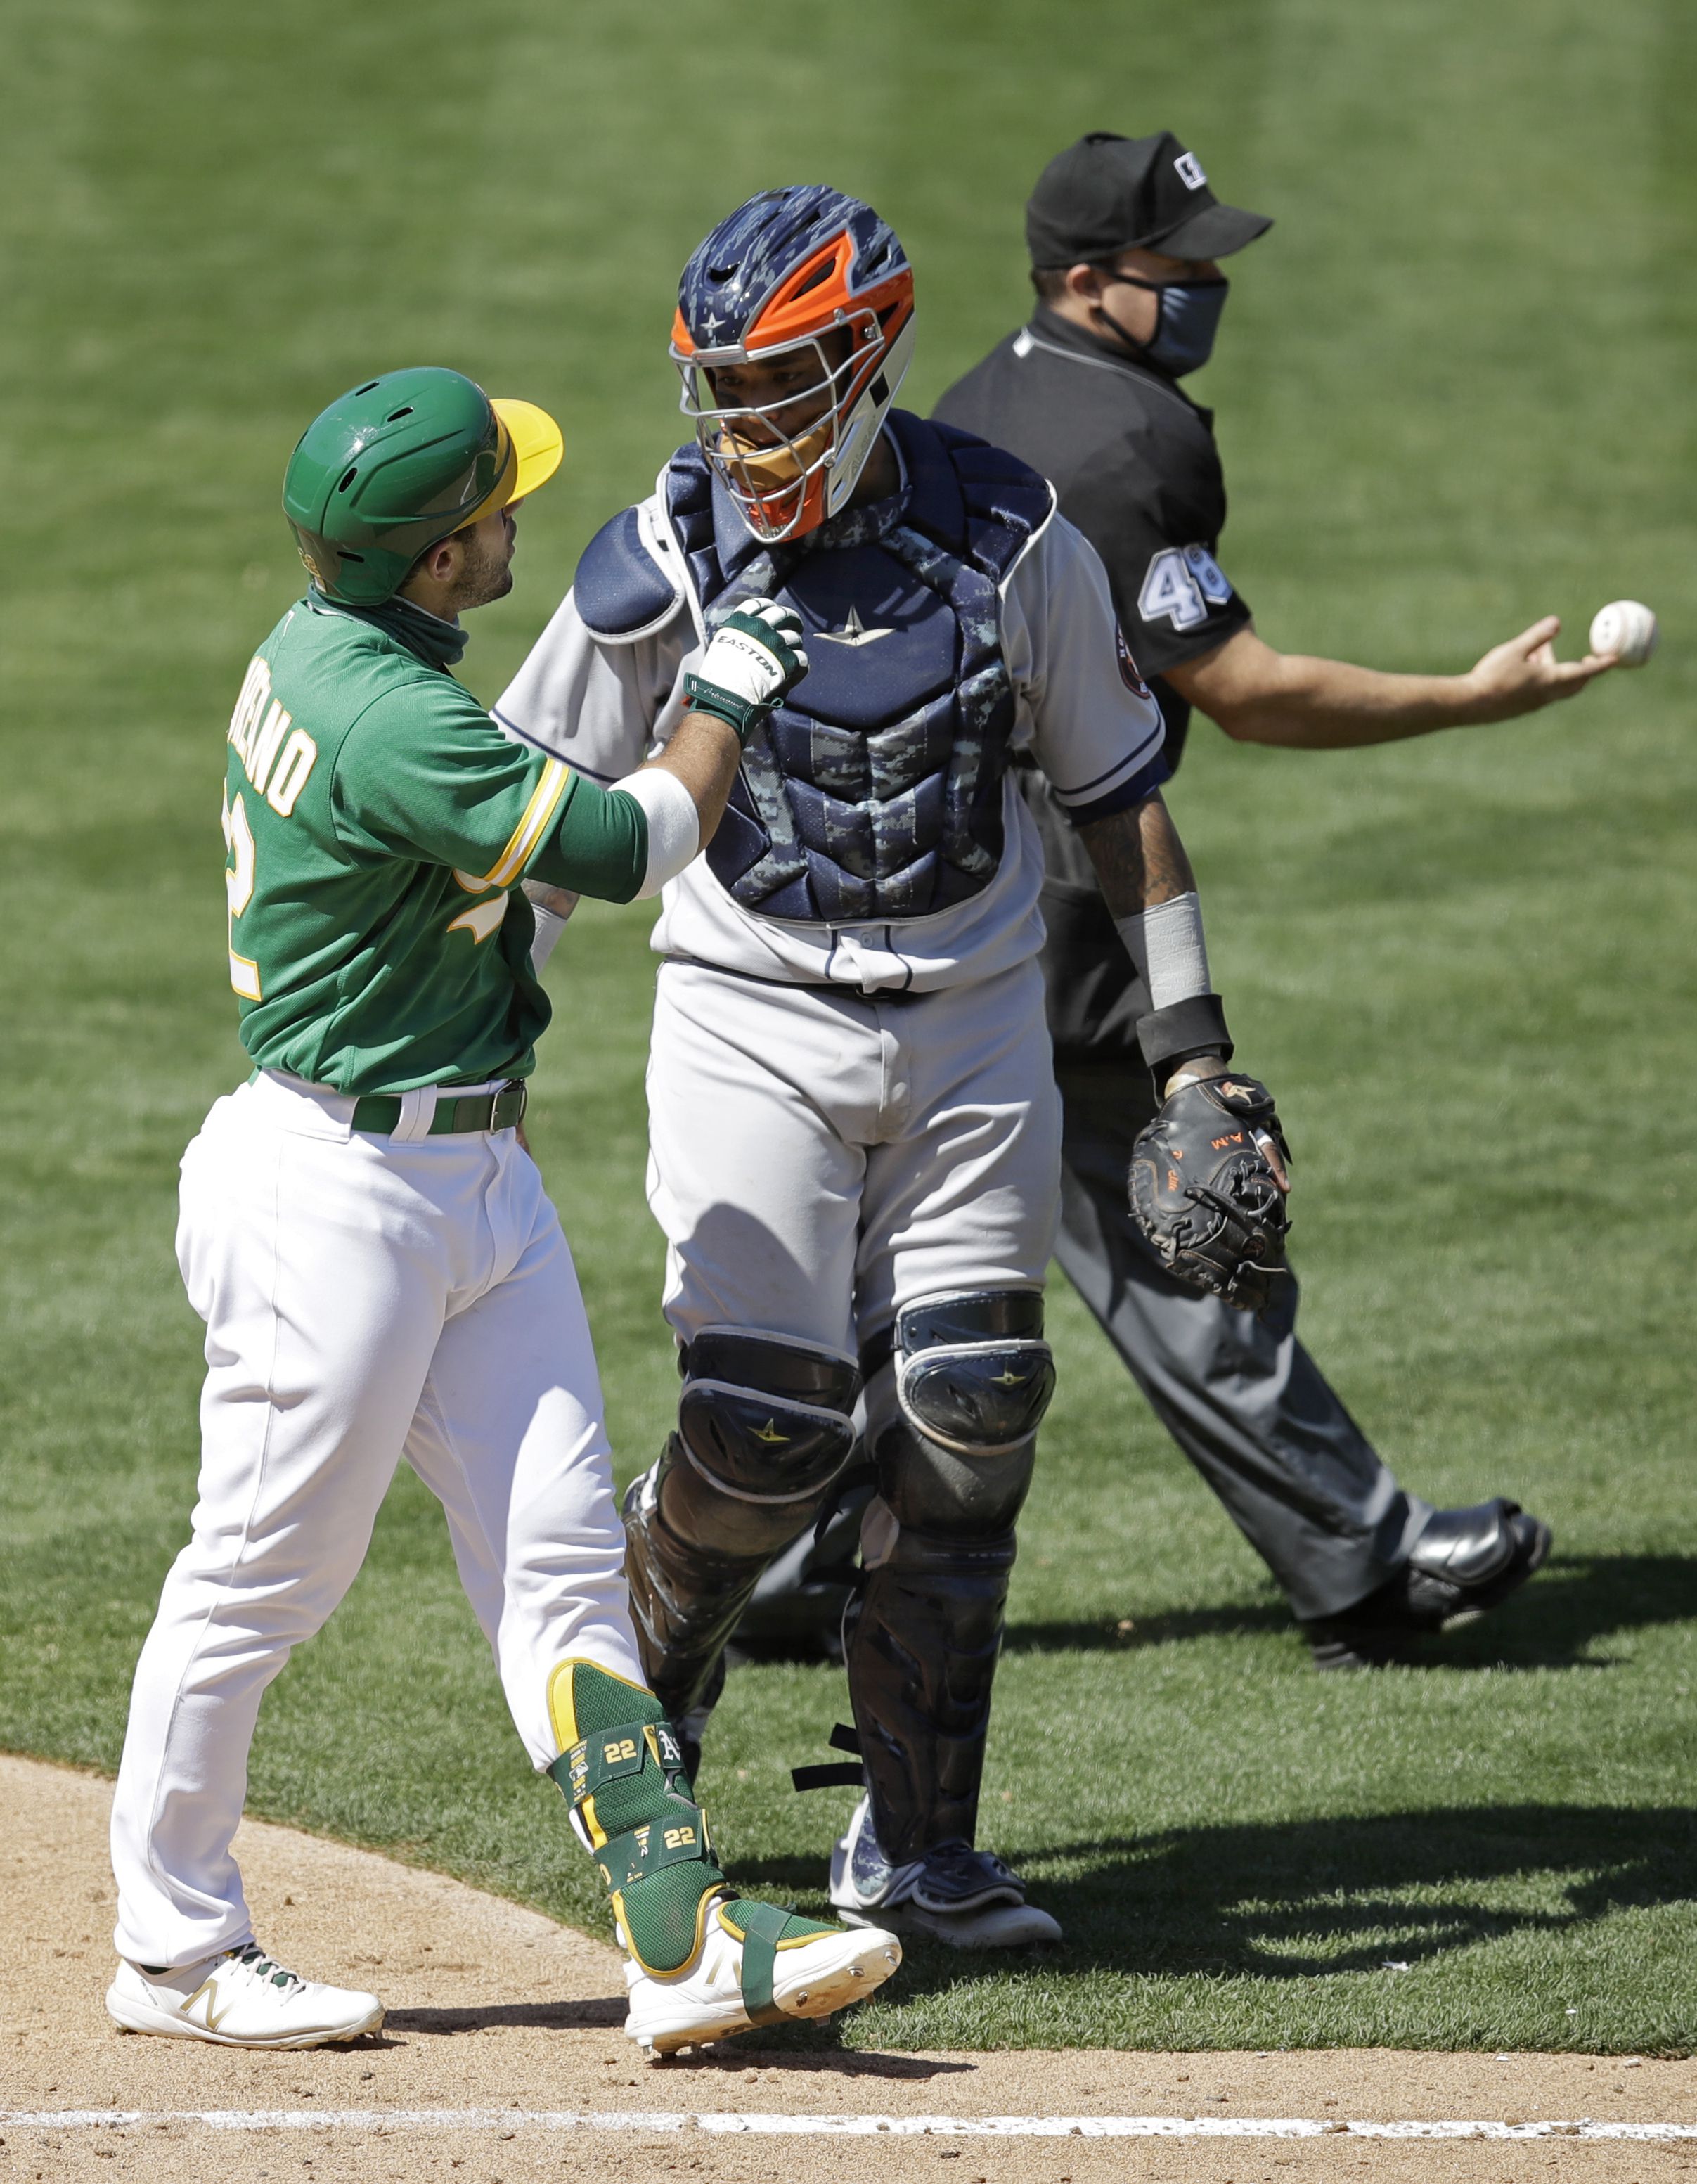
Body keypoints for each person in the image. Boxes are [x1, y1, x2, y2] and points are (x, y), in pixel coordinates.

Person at [496, 185, 1284, 1948]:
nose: (743, 429)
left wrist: (1191, 1062)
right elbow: (532, 815)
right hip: (745, 1011)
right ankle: (659, 1697)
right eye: (723, 389)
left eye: (778, 386)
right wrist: (493, 1035)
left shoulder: (1015, 542)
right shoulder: (667, 556)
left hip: (976, 1015)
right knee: (764, 1434)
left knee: (972, 1409)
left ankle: (916, 1846)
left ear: (867, 362)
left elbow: (1119, 809)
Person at [105, 366, 900, 2057]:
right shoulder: (392, 716)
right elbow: (633, 839)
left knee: (562, 1577)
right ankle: (170, 1946)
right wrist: (727, 690)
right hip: (335, 1196)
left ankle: (677, 1937)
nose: (517, 518)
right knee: (263, 1574)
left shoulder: (345, 653)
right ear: (435, 555)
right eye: (494, 507)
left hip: (469, 1181)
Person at [739, 130, 1611, 1671]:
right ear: (1089, 282)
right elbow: (1245, 691)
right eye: (1181, 267)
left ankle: (785, 1568)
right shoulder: (1128, 445)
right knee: (1184, 1225)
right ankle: (1359, 1559)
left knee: (915, 1264)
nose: (1209, 286)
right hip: (1062, 902)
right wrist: (1472, 699)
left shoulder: (981, 402)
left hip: (917, 889)